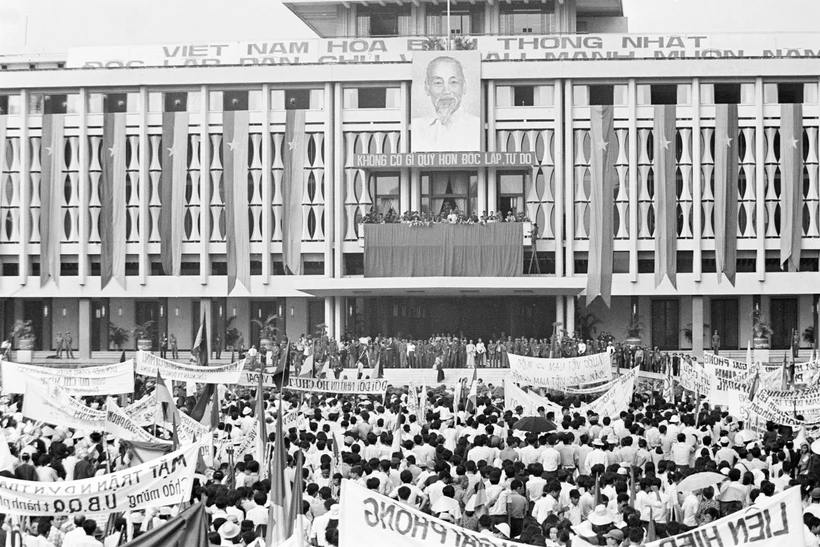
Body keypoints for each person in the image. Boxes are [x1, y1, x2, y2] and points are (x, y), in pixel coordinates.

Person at [410, 56, 480, 152]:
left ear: (464, 86)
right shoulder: (415, 128)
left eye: (453, 82)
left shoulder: (477, 126)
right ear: (427, 88)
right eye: (438, 83)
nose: (446, 91)